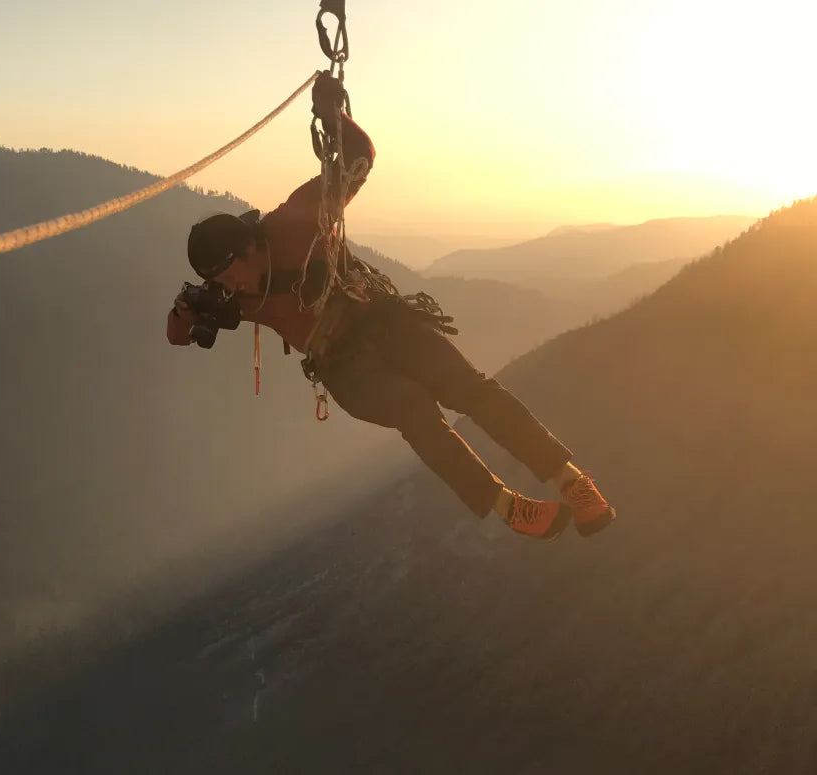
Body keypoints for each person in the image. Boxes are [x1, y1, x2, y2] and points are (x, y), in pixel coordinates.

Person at [166, 73, 615, 540]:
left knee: (471, 390)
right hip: (344, 367)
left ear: (248, 250)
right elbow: (177, 336)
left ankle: (574, 483)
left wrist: (332, 114)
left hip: (382, 324)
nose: (227, 288)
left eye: (226, 276)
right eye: (216, 283)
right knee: (416, 415)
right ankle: (507, 505)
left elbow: (360, 158)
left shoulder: (297, 219)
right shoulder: (232, 295)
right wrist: (185, 313)